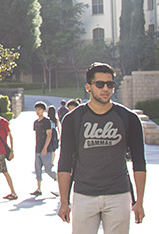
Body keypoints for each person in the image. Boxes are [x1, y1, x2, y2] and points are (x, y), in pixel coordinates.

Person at [57, 62, 147, 233]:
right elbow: (64, 163)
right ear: (88, 87)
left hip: (119, 195)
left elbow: (139, 163)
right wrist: (63, 202)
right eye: (100, 84)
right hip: (84, 195)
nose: (106, 88)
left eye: (110, 84)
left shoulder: (129, 118)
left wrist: (139, 202)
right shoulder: (73, 119)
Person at [32, 101, 58, 196]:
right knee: (37, 169)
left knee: (48, 170)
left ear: (43, 110)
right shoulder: (36, 122)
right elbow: (36, 135)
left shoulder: (47, 121)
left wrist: (45, 148)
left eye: (39, 109)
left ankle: (60, 181)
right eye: (36, 109)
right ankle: (38, 189)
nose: (38, 111)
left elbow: (49, 135)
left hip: (46, 149)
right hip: (37, 148)